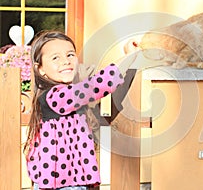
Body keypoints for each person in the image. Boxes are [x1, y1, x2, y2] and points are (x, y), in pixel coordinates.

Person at [23, 30, 139, 189]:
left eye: (70, 55)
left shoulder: (68, 95)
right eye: (55, 57)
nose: (65, 61)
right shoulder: (54, 97)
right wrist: (128, 57)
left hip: (71, 181)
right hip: (60, 184)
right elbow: (95, 86)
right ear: (40, 69)